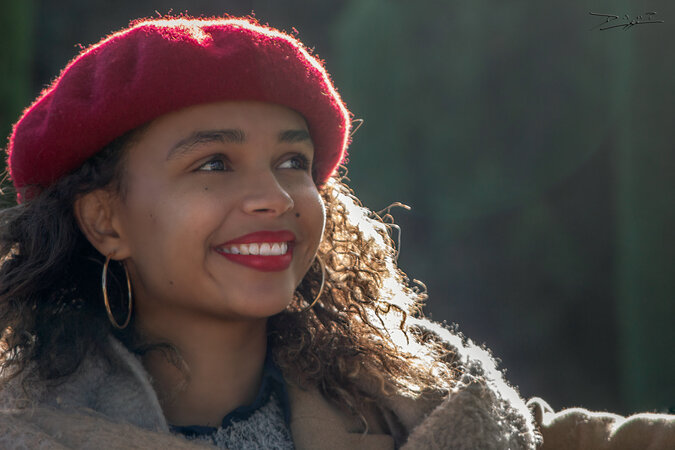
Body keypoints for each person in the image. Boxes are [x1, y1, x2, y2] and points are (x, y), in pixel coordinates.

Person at [0, 16, 672, 450]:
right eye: (214, 163)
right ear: (105, 221)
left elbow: (546, 438)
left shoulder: (406, 393)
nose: (274, 197)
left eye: (292, 162)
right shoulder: (30, 432)